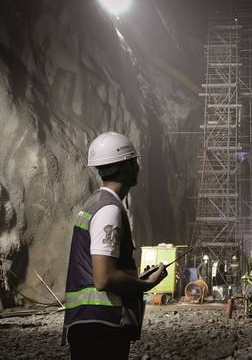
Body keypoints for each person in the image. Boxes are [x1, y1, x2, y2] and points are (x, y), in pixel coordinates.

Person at [62, 132, 167, 360]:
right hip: (101, 326)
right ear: (127, 166)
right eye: (134, 162)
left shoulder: (94, 203)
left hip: (88, 323)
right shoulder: (109, 210)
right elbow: (104, 277)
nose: (138, 167)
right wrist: (145, 284)